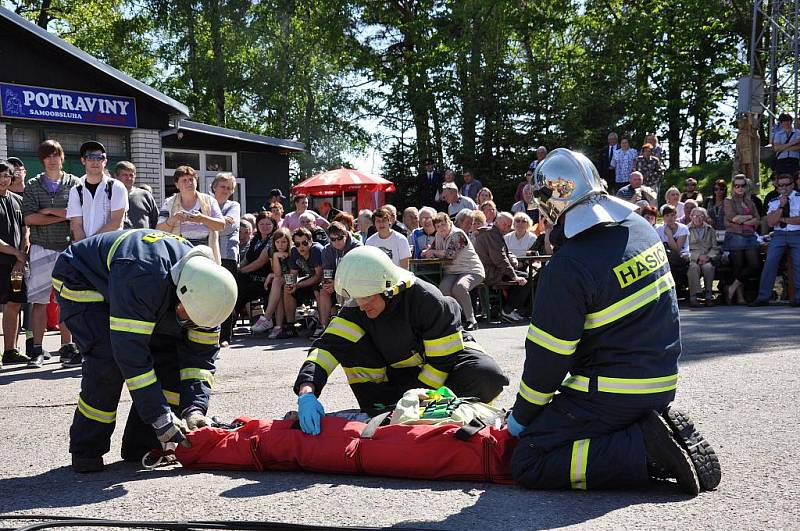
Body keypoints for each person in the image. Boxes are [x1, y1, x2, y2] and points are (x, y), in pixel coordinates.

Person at [507, 148, 720, 496]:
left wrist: (520, 419)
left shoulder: (567, 267)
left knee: (530, 458)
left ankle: (645, 450)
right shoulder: (640, 228)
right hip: (661, 382)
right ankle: (647, 433)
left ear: (549, 208)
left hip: (612, 392)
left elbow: (547, 361)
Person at [52, 228, 237, 472]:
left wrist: (194, 408)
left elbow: (199, 364)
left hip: (132, 283)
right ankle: (87, 449)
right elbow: (131, 356)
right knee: (107, 360)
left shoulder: (210, 299)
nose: (189, 324)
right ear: (180, 291)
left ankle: (143, 444)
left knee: (170, 357)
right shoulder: (145, 278)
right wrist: (160, 416)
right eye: (186, 315)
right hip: (82, 279)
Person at [293, 245, 509, 434]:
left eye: (366, 297)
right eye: (355, 298)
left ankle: (435, 411)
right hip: (403, 375)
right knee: (347, 345)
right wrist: (307, 392)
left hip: (447, 365)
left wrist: (415, 402)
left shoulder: (427, 300)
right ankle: (384, 410)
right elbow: (327, 348)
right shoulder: (357, 306)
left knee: (486, 375)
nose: (361, 305)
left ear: (388, 289)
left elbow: (441, 362)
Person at [21, 140, 80, 368]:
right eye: (48, 156)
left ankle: (67, 347)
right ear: (42, 160)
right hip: (40, 247)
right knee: (39, 302)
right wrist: (62, 215)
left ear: (62, 157)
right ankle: (37, 349)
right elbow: (29, 218)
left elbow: (76, 214)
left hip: (67, 248)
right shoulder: (34, 184)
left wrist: (48, 211)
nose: (53, 159)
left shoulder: (74, 183)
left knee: (67, 301)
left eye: (56, 155)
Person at [421, 213, 484, 330]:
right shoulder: (438, 236)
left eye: (443, 225)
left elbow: (451, 255)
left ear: (450, 223)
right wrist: (427, 252)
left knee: (459, 287)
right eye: (438, 226)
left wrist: (434, 252)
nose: (441, 228)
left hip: (471, 269)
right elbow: (430, 250)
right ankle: (456, 319)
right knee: (443, 288)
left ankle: (471, 320)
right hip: (451, 271)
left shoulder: (458, 234)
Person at [750, 174, 800, 307]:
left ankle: (798, 297)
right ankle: (763, 297)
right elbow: (771, 222)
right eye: (780, 185)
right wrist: (781, 207)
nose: (784, 188)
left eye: (786, 185)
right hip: (779, 234)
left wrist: (782, 219)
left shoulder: (799, 198)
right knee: (770, 262)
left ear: (792, 185)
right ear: (777, 187)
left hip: (797, 234)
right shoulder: (774, 201)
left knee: (798, 262)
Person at [156, 166, 225, 263]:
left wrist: (202, 218)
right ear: (177, 185)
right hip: (179, 253)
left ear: (196, 181)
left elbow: (221, 225)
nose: (189, 183)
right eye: (184, 180)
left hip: (206, 254)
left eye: (191, 179)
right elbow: (159, 231)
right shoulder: (169, 203)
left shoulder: (209, 201)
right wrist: (174, 219)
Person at [67, 141, 128, 245]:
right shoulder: (76, 190)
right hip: (85, 249)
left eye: (99, 158)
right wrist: (84, 247)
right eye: (90, 157)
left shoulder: (117, 187)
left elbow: (116, 222)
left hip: (110, 247)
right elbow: (76, 224)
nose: (95, 162)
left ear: (105, 161)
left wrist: (90, 244)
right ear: (83, 160)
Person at [0, 160, 29, 367]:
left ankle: (10, 351)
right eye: (0, 176)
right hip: (4, 262)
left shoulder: (18, 201)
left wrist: (21, 257)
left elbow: (26, 230)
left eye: (7, 176)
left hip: (16, 267)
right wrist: (17, 254)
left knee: (15, 304)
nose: (3, 180)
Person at [474, 212, 528, 323]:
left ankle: (506, 309)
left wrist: (512, 262)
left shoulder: (493, 233)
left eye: (509, 225)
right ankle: (507, 310)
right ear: (496, 222)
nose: (507, 227)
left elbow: (504, 254)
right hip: (490, 273)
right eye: (504, 224)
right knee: (527, 278)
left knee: (524, 276)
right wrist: (514, 276)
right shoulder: (492, 235)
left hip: (489, 271)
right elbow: (499, 259)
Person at [317, 222, 362, 338]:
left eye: (340, 238)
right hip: (336, 283)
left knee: (346, 290)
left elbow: (356, 273)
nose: (336, 242)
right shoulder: (327, 250)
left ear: (346, 234)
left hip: (354, 283)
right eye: (333, 239)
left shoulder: (357, 247)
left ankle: (350, 327)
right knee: (323, 291)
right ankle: (324, 328)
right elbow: (327, 272)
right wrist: (327, 283)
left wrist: (338, 283)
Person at [211, 173, 241, 346]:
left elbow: (228, 228)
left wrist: (207, 222)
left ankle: (224, 336)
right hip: (209, 254)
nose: (226, 190)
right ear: (214, 187)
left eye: (229, 188)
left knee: (226, 295)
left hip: (227, 255)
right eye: (223, 186)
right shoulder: (206, 203)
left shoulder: (233, 205)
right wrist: (217, 222)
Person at [723, 174, 760, 305]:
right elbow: (734, 218)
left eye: (742, 185)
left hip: (750, 236)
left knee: (754, 266)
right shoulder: (728, 201)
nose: (739, 188)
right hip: (735, 236)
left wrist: (744, 220)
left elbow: (757, 220)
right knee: (738, 267)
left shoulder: (750, 201)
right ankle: (740, 297)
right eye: (736, 186)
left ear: (746, 186)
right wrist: (748, 218)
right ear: (733, 187)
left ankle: (731, 288)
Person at [236, 212, 276, 334]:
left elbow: (260, 262)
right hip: (251, 277)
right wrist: (237, 268)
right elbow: (247, 258)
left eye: (268, 224)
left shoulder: (273, 239)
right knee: (236, 284)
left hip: (266, 280)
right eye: (261, 224)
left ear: (273, 225)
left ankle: (229, 321)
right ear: (257, 225)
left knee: (241, 290)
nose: (264, 226)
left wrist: (241, 271)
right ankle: (229, 321)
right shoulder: (256, 239)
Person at [282, 227, 324, 338]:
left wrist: (298, 285)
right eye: (297, 244)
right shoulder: (294, 251)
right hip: (309, 281)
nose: (301, 247)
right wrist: (291, 285)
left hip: (323, 282)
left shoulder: (316, 250)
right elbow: (293, 274)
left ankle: (321, 324)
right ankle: (291, 326)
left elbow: (318, 277)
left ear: (311, 241)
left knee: (317, 288)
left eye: (305, 243)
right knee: (287, 290)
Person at [263, 227, 292, 339]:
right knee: (278, 291)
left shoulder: (292, 252)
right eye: (278, 242)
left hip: (294, 279)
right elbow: (278, 272)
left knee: (276, 281)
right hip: (281, 280)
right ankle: (278, 326)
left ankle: (267, 317)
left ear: (288, 242)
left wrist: (273, 275)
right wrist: (275, 256)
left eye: (284, 242)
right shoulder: (273, 252)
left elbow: (287, 273)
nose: (280, 245)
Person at [687, 207, 719, 307]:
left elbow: (715, 247)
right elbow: (685, 248)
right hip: (692, 257)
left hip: (706, 257)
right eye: (696, 216)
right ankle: (694, 297)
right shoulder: (686, 229)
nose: (698, 218)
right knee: (693, 268)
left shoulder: (710, 229)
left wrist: (708, 257)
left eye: (701, 216)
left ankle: (708, 296)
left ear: (704, 217)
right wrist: (697, 257)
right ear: (691, 217)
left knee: (708, 267)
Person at [116, 161, 158, 229]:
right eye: (125, 175)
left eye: (131, 175)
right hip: (119, 238)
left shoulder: (145, 195)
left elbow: (156, 221)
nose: (129, 178)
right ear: (116, 176)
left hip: (142, 238)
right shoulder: (110, 195)